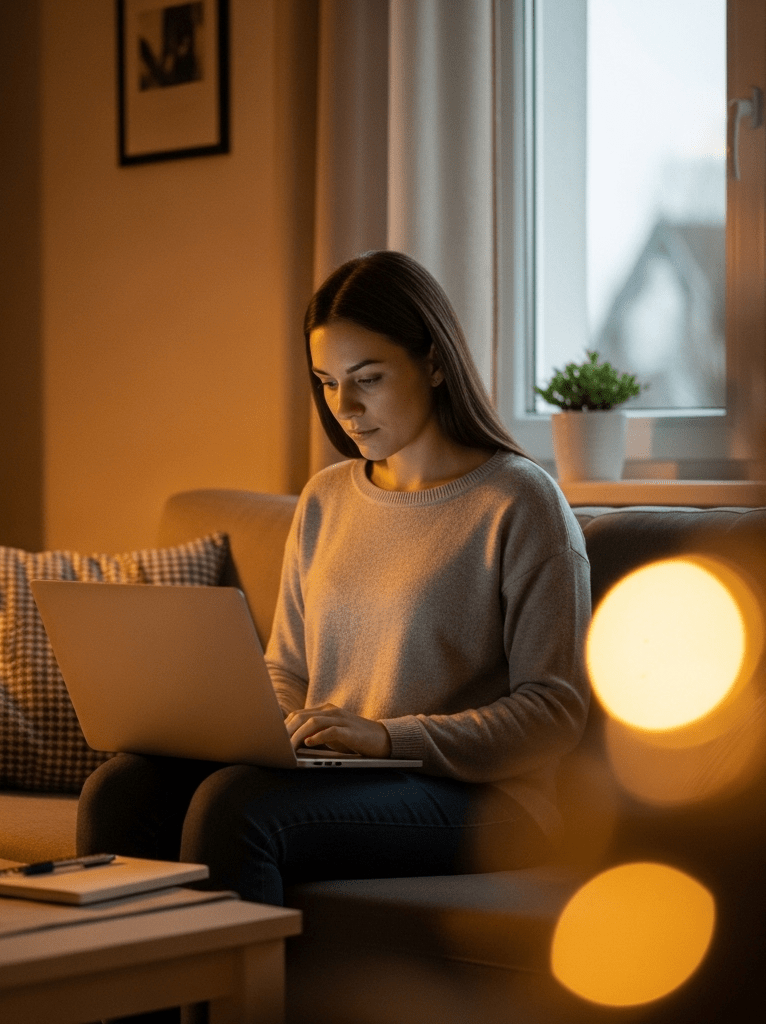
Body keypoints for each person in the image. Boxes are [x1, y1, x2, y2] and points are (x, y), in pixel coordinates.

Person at [78, 250, 591, 916]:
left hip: (486, 798)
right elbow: (287, 667)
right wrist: (276, 727)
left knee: (238, 810)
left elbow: (553, 713)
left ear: (434, 363)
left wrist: (387, 738)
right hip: (336, 776)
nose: (343, 406)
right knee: (123, 789)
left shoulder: (520, 502)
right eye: (325, 381)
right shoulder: (326, 499)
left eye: (367, 378)